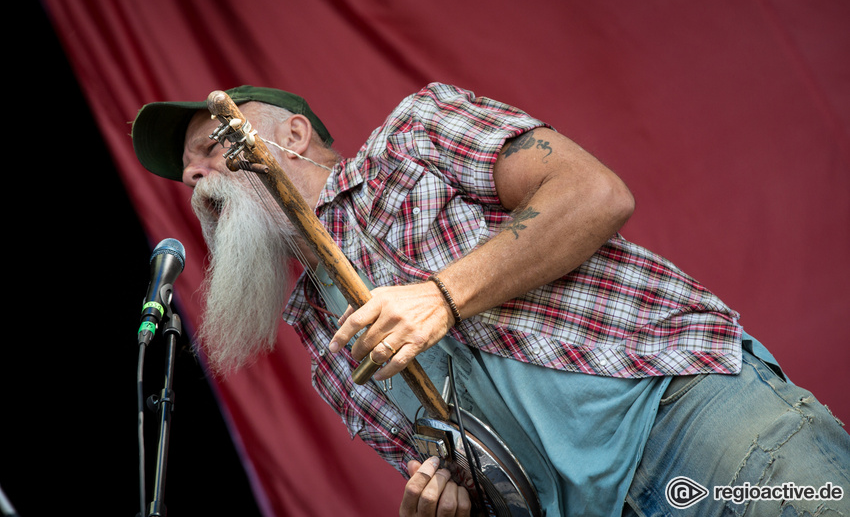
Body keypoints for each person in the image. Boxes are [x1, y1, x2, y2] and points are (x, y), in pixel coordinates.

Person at [132, 83, 849, 517]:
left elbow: (595, 193)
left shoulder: (413, 138)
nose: (196, 177)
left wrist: (442, 297)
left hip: (689, 423)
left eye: (212, 146)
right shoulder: (323, 344)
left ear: (289, 134)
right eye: (187, 172)